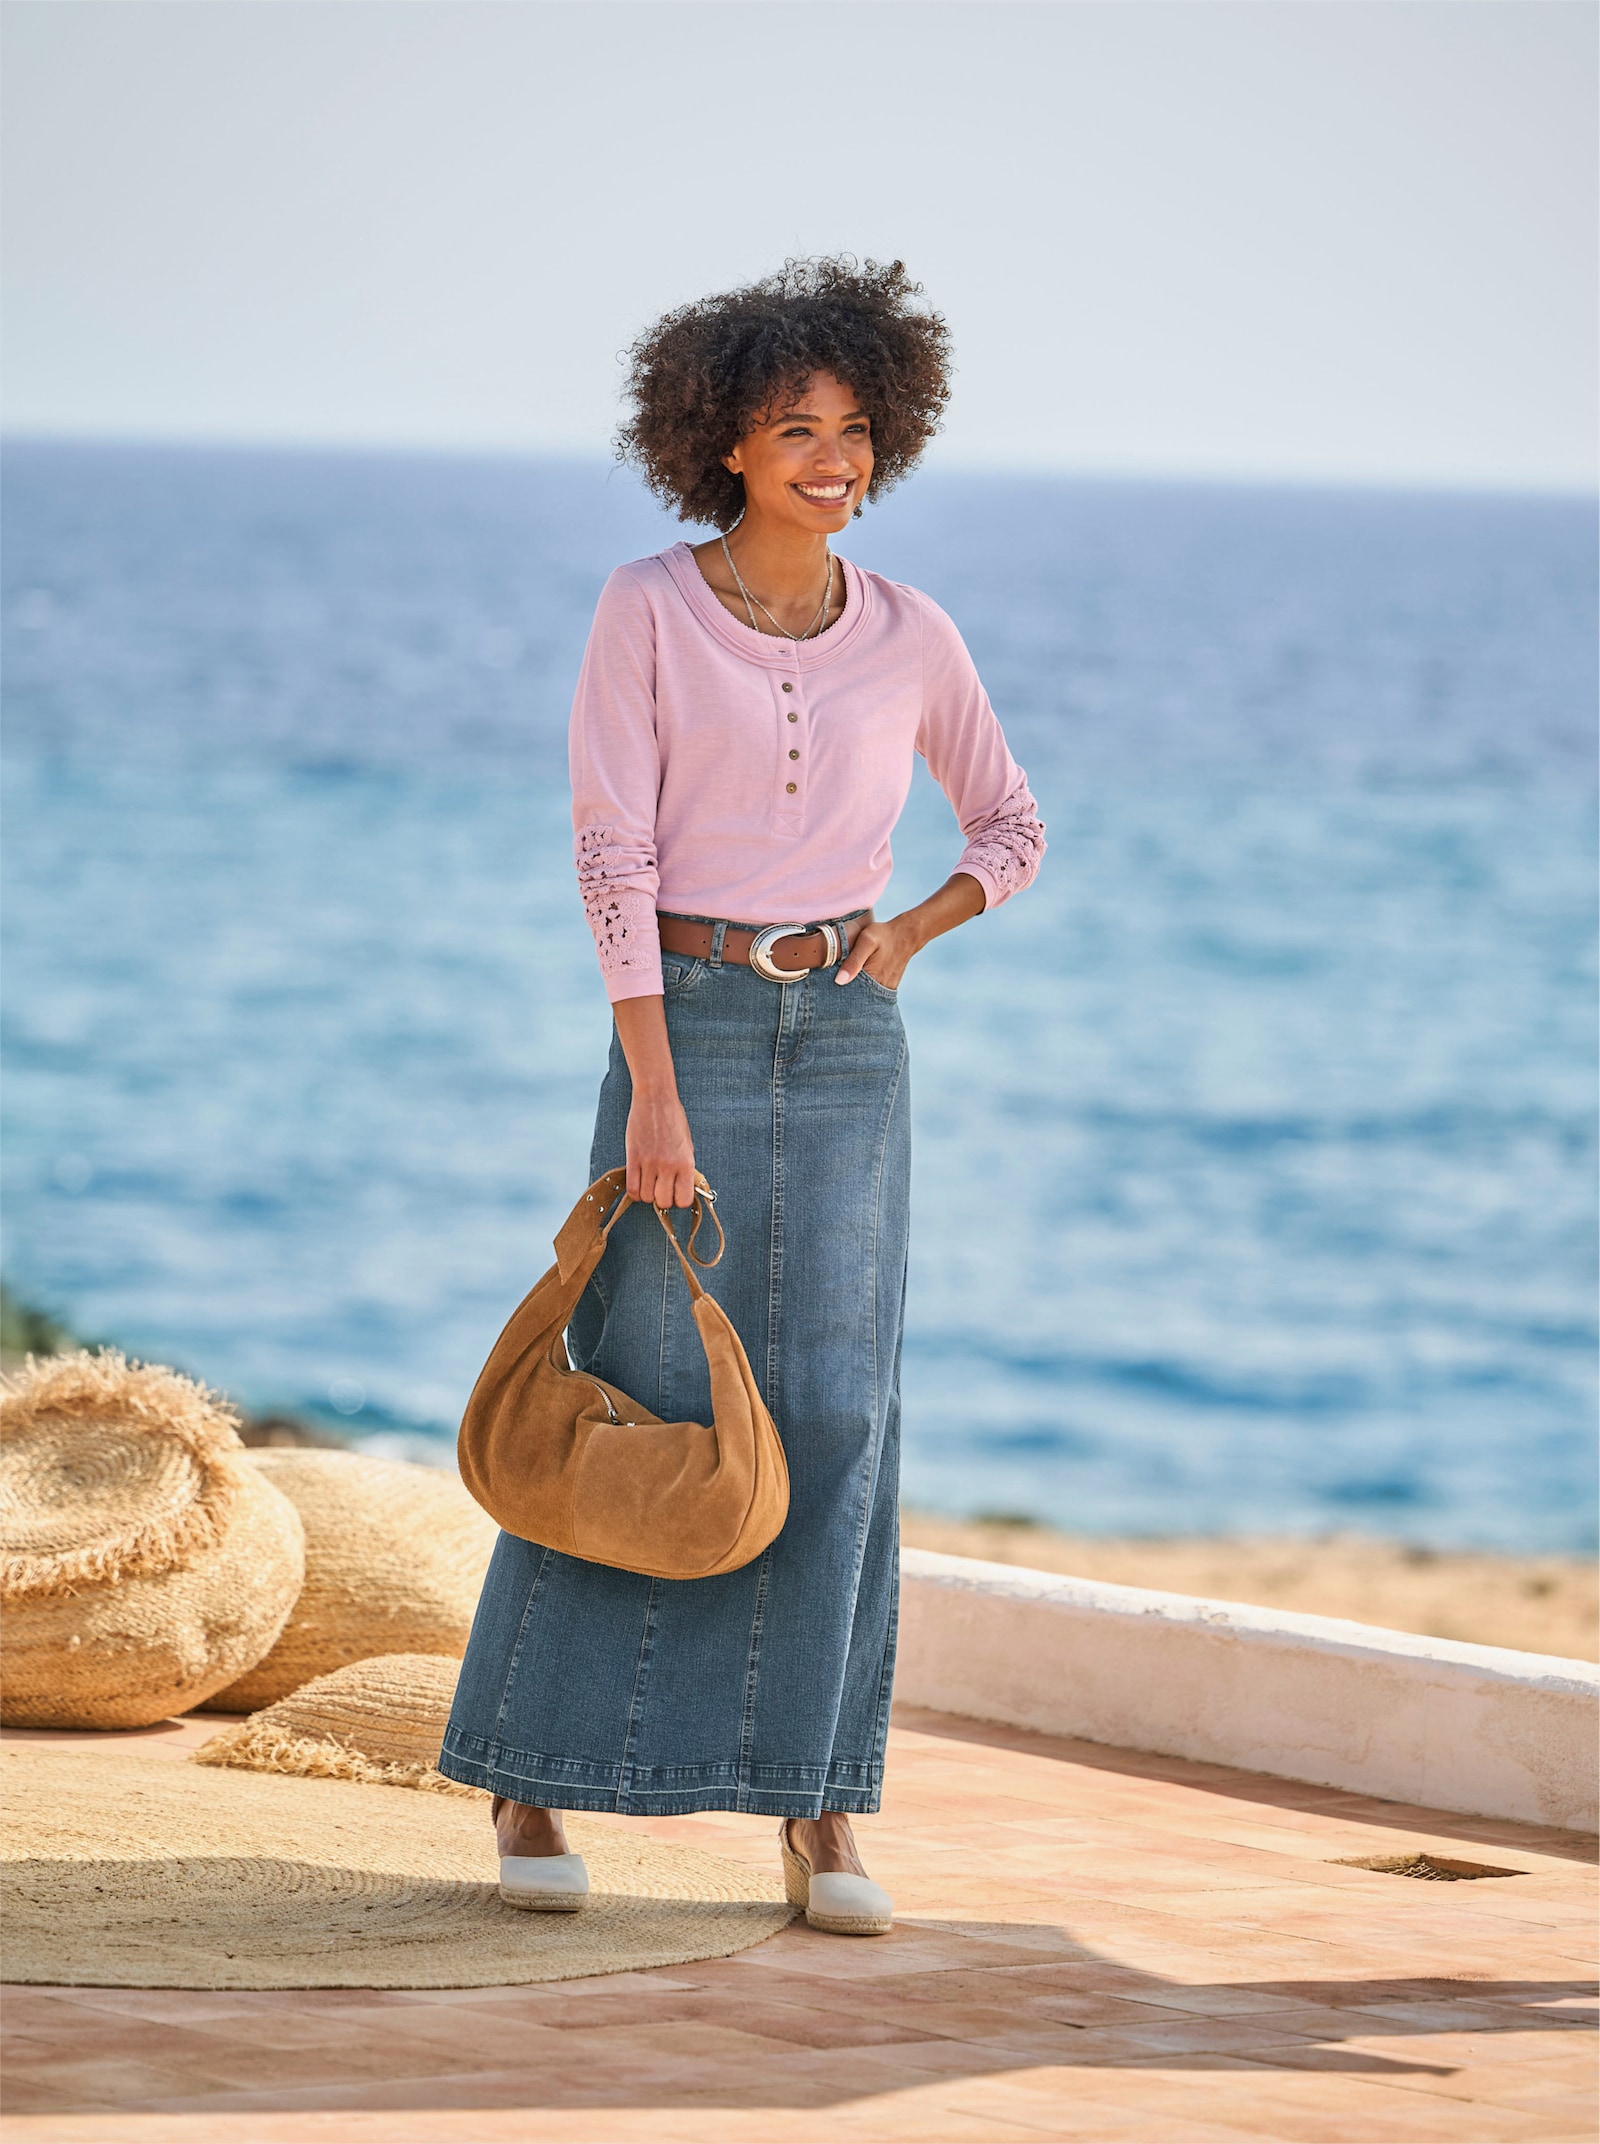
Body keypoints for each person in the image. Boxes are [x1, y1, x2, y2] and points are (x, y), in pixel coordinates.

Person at [439, 257, 1044, 1934]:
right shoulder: (646, 604)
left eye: (853, 428)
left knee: (838, 1409)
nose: (831, 459)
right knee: (639, 1383)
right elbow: (612, 853)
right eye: (795, 429)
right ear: (724, 442)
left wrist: (910, 932)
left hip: (847, 1041)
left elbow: (1012, 826)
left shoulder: (914, 632)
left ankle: (821, 1806)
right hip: (685, 1026)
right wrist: (651, 1086)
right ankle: (533, 1774)